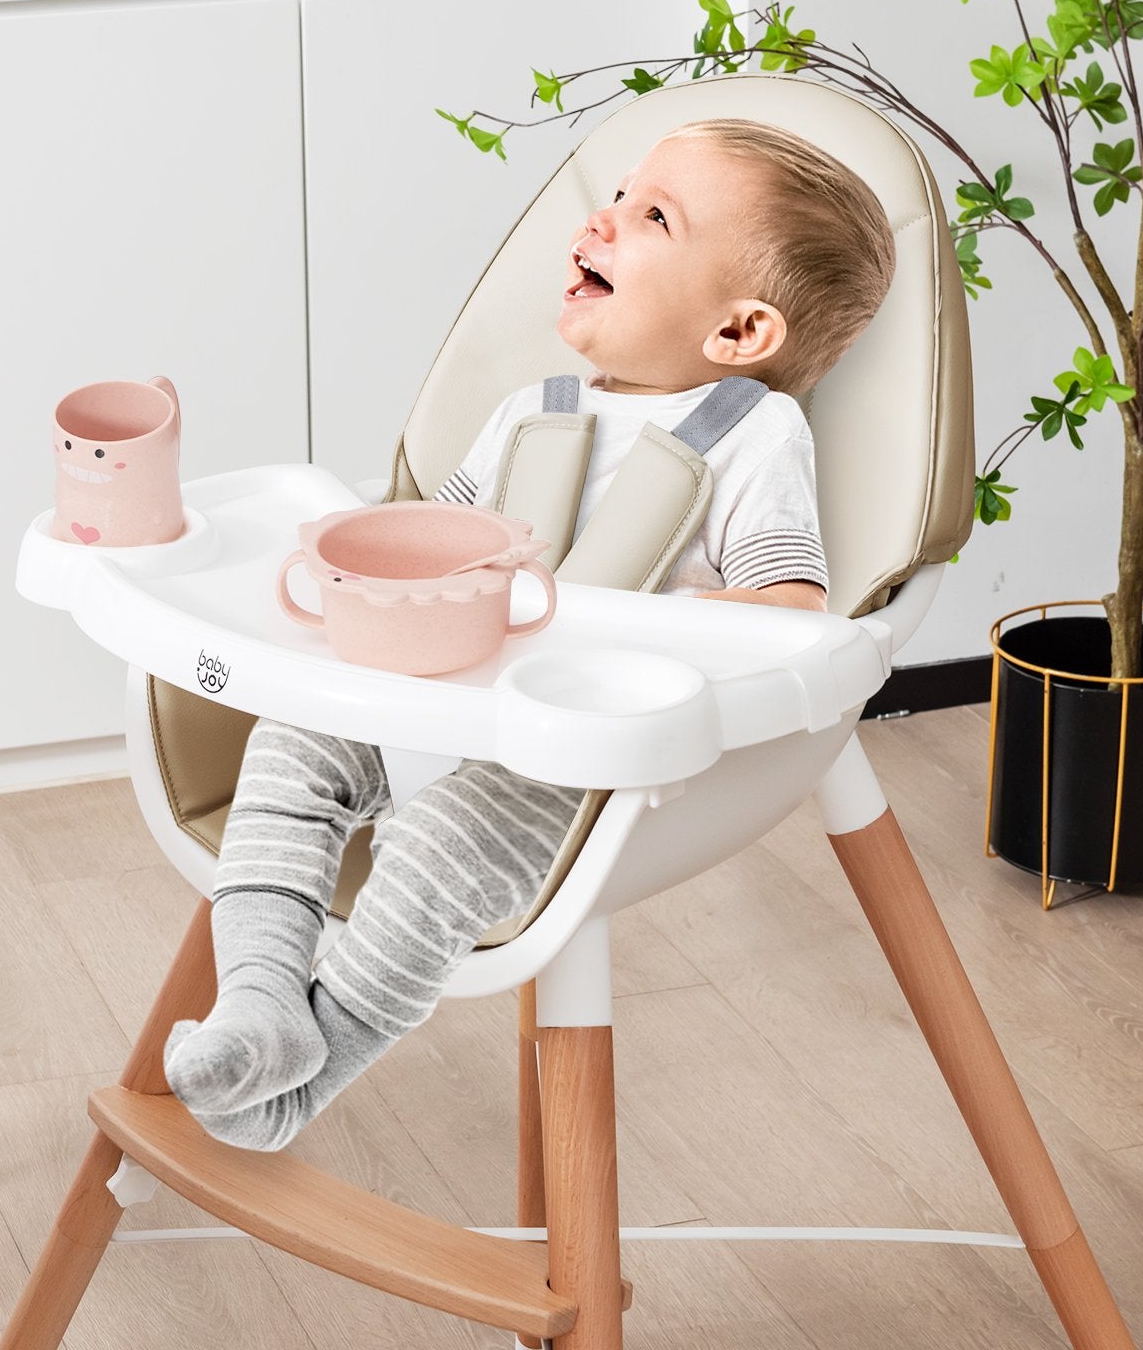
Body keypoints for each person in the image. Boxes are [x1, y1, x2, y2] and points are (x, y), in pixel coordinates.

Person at [162, 116, 897, 1151]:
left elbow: (787, 615)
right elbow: (424, 541)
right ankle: (260, 1001)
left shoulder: (751, 434)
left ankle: (303, 1079)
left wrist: (625, 632)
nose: (601, 218)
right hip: (429, 693)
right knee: (285, 750)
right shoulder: (527, 413)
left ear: (737, 334)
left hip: (573, 758)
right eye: (620, 193)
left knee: (437, 846)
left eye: (651, 215)